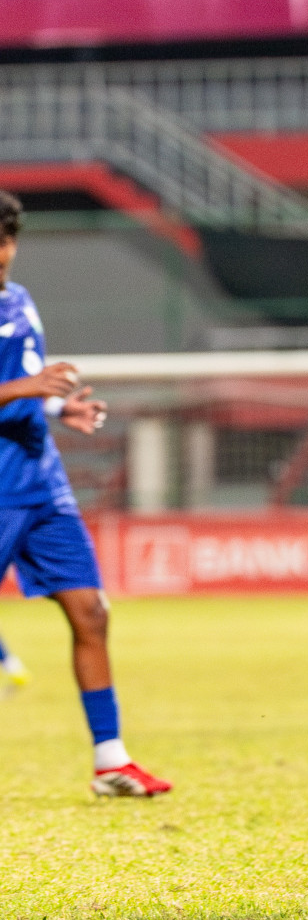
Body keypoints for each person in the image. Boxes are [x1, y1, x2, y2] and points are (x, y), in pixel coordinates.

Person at [0, 190, 171, 797]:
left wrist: (57, 404)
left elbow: (25, 384)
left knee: (92, 612)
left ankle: (110, 760)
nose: (2, 252)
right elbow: (15, 383)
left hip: (41, 483)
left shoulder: (19, 301)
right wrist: (25, 387)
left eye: (7, 238)